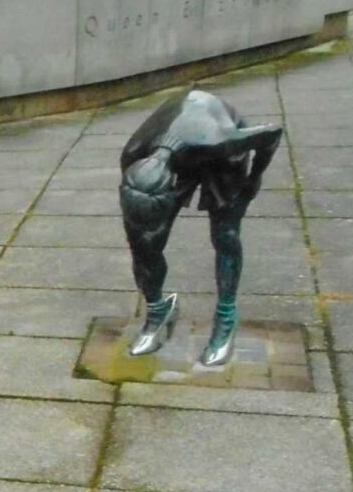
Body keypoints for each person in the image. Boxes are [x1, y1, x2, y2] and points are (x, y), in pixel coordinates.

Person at [119, 89, 284, 366]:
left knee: (225, 233)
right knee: (143, 241)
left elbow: (272, 133)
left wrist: (253, 178)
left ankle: (226, 317)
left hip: (221, 154)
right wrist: (141, 234)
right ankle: (159, 310)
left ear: (172, 186)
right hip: (176, 148)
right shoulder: (133, 154)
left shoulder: (223, 141)